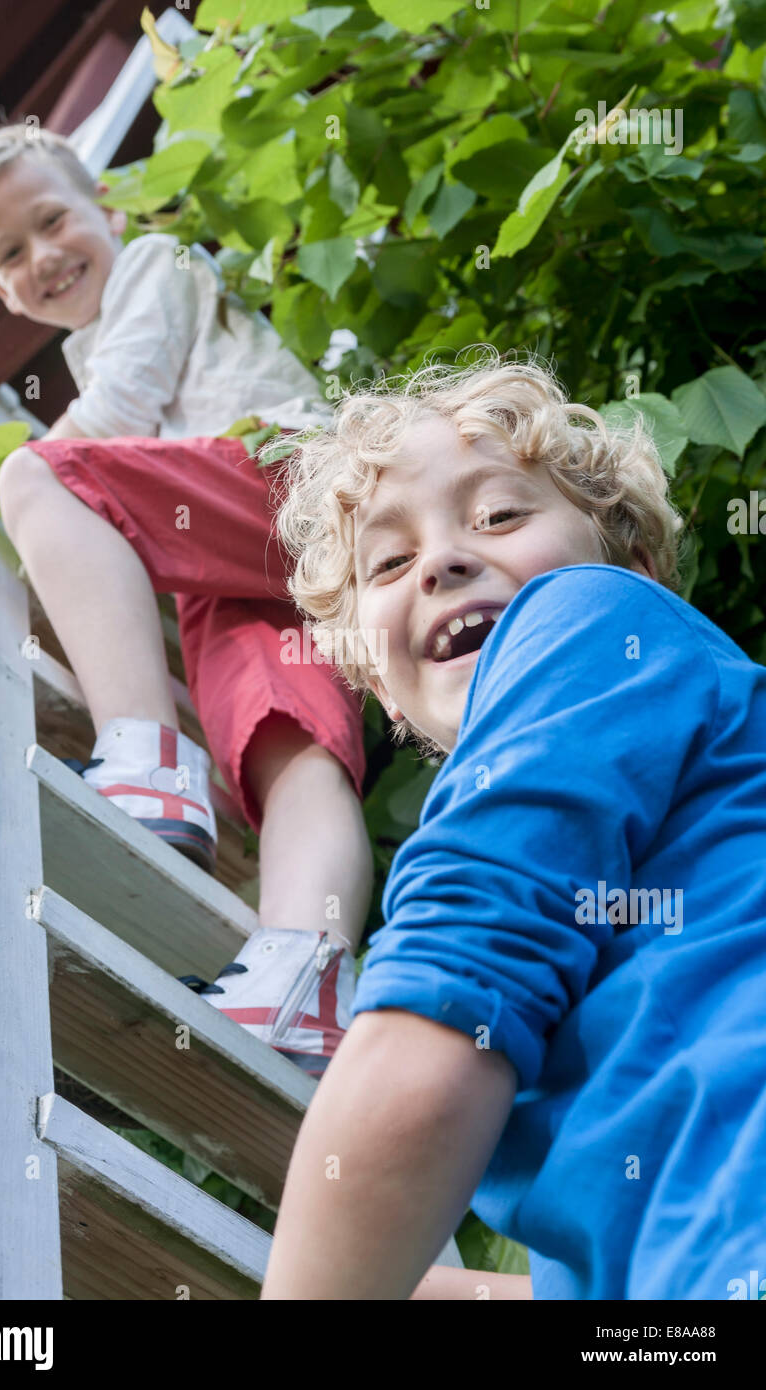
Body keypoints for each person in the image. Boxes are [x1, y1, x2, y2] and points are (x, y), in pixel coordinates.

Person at [259, 348, 766, 1299]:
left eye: (499, 515)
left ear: (636, 571)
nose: (445, 559)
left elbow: (439, 1034)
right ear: (386, 698)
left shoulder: (586, 614)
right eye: (391, 561)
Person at [0, 124, 374, 1076]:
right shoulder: (91, 334)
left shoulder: (156, 263)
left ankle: (148, 763)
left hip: (282, 474)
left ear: (113, 214)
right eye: (10, 252)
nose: (42, 256)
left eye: (53, 221)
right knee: (283, 745)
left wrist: (29, 503)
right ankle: (307, 973)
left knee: (35, 475)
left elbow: (120, 412)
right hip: (241, 563)